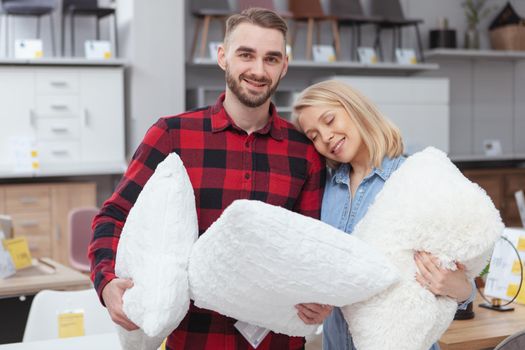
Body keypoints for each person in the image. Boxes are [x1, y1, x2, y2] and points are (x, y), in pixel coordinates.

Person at [88, 7, 331, 350]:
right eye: (246, 55)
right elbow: (114, 217)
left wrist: (320, 294)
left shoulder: (303, 152)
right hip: (194, 341)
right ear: (222, 57)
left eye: (271, 59)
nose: (258, 70)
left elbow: (314, 247)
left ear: (284, 66)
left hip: (280, 343)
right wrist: (107, 283)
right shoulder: (172, 135)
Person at [292, 80, 477, 350]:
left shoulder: (415, 176)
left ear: (355, 108)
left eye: (329, 120)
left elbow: (467, 287)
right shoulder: (324, 188)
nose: (326, 136)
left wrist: (458, 286)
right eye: (314, 136)